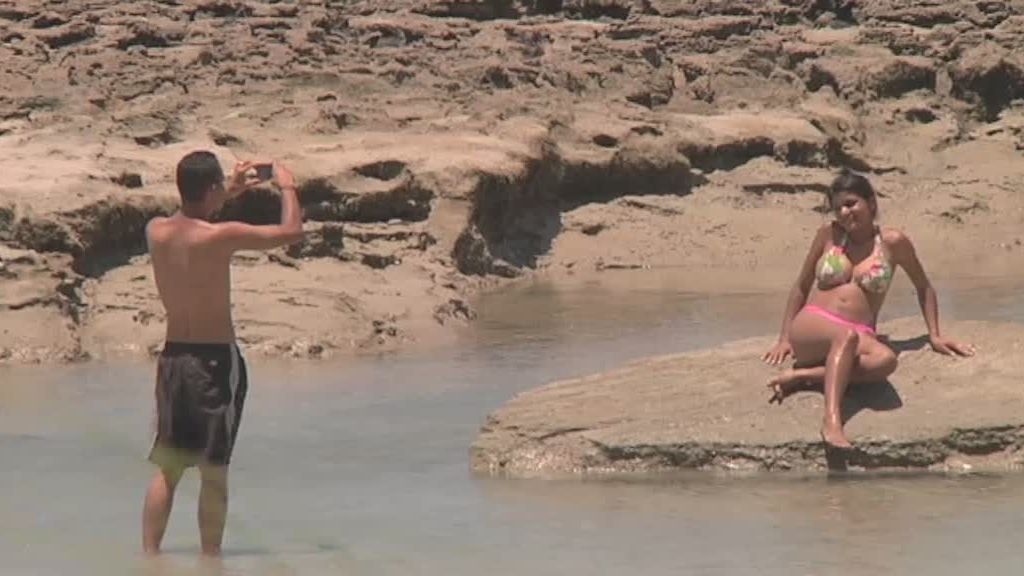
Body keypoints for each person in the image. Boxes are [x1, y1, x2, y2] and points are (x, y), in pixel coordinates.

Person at [142, 151, 304, 555]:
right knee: (214, 473)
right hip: (213, 364)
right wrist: (287, 184)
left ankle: (148, 559)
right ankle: (211, 560)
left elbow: (191, 218)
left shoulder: (155, 230)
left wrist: (225, 191)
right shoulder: (222, 236)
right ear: (211, 188)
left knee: (170, 467)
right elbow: (291, 232)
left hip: (172, 360)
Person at [761, 169, 974, 450]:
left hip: (860, 333)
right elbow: (801, 286)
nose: (845, 213)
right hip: (813, 324)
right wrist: (784, 338)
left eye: (851, 203)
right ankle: (832, 421)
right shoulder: (829, 235)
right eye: (838, 208)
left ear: (871, 202)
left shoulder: (893, 243)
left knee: (886, 361)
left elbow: (924, 287)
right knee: (845, 337)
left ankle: (802, 376)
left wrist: (934, 335)